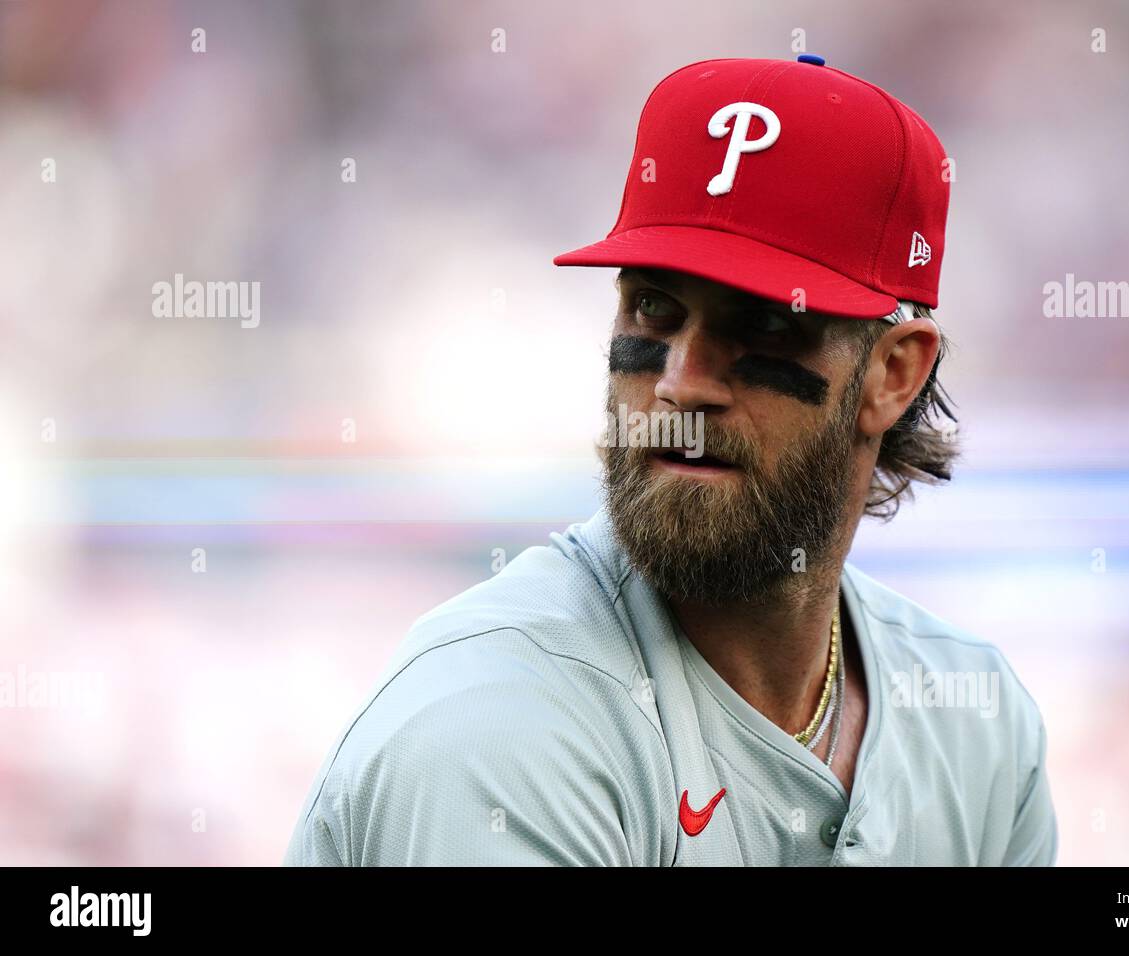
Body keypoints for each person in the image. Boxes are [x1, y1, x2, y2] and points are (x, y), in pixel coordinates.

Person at [284, 54, 1058, 866]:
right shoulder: (493, 725)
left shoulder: (980, 721)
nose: (681, 384)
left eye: (761, 325)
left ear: (893, 373)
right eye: (654, 307)